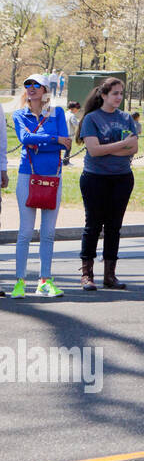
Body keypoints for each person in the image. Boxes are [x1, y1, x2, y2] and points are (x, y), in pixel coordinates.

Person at [78, 77, 139, 290]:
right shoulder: (92, 119)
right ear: (103, 95)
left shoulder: (126, 118)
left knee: (114, 226)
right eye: (115, 94)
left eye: (121, 94)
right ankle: (87, 273)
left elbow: (134, 149)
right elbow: (93, 151)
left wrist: (109, 148)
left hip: (121, 177)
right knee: (93, 224)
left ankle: (110, 274)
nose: (118, 98)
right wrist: (121, 145)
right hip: (95, 177)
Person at [12, 74, 71, 297]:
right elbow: (25, 139)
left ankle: (44, 281)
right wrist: (53, 140)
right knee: (25, 232)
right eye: (28, 84)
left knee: (48, 232)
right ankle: (19, 282)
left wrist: (47, 142)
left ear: (46, 89)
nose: (32, 88)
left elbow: (65, 143)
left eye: (37, 85)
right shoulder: (20, 114)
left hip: (53, 176)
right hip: (28, 176)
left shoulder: (57, 113)